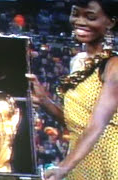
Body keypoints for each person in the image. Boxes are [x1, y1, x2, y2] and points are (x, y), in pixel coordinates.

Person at [27, 0, 118, 179]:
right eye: (76, 14)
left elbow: (98, 124)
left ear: (111, 22)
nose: (80, 22)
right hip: (78, 158)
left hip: (108, 157)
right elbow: (76, 123)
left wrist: (63, 167)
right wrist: (45, 101)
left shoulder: (113, 66)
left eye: (90, 17)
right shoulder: (76, 61)